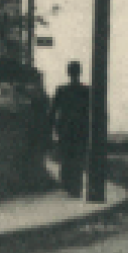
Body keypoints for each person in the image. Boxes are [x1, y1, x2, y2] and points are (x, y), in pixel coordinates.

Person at [49, 61, 91, 197]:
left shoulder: (61, 90)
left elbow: (53, 111)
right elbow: (91, 111)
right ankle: (76, 187)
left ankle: (67, 184)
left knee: (66, 158)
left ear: (68, 72)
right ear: (79, 72)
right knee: (78, 158)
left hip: (65, 129)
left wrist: (53, 128)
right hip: (81, 129)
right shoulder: (86, 90)